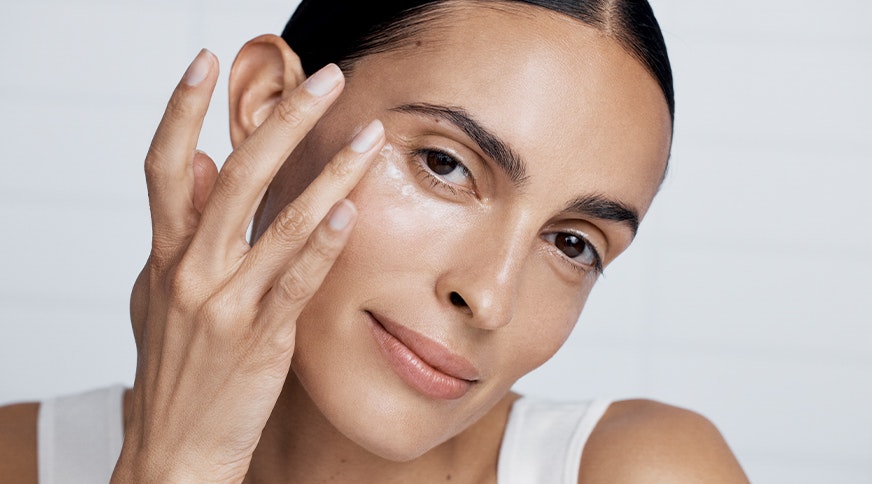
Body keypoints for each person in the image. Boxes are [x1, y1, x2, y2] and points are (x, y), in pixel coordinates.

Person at [0, 0, 749, 482]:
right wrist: (173, 467)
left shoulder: (643, 469)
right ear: (270, 104)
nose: (491, 298)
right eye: (446, 165)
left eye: (573, 243)